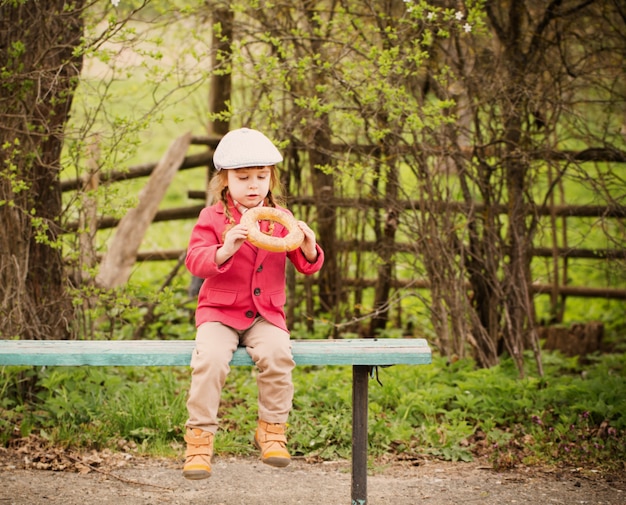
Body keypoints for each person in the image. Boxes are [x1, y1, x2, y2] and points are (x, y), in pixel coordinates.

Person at [182, 127, 325, 480]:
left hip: (266, 315)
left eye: (261, 177)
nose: (253, 185)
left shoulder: (283, 220)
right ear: (224, 180)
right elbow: (196, 261)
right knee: (210, 361)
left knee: (279, 356)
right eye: (243, 177)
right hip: (220, 313)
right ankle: (199, 440)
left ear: (271, 178)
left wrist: (308, 246)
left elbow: (308, 264)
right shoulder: (212, 219)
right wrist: (224, 249)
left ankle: (272, 431)